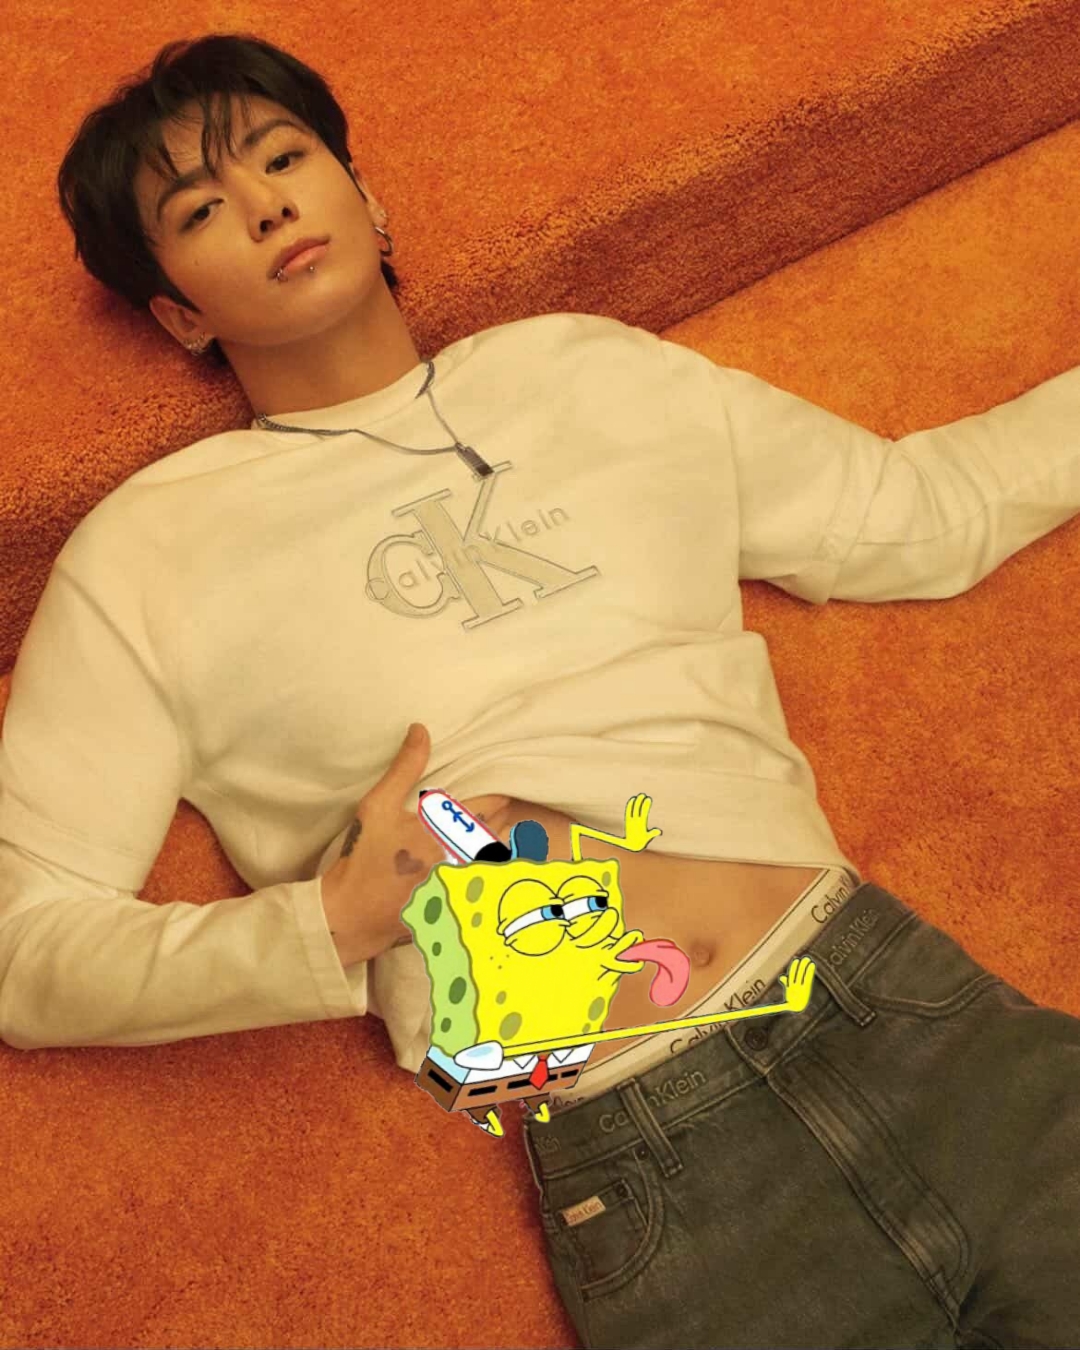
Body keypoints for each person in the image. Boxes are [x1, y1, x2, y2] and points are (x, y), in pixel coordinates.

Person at [3, 29, 1078, 1348]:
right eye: (200, 211)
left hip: (899, 1009)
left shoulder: (590, 371)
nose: (267, 205)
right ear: (180, 313)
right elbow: (24, 946)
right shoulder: (146, 556)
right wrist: (323, 925)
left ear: (366, 198)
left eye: (284, 158)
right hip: (658, 1168)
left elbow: (922, 514)